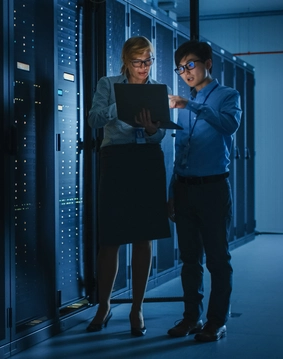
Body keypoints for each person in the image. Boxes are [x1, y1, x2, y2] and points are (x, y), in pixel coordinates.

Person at [87, 36, 171, 337]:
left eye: (148, 61)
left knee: (144, 237)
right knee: (110, 238)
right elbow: (94, 119)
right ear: (126, 61)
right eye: (138, 62)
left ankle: (137, 307)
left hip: (147, 160)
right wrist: (119, 105)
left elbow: (160, 136)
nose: (144, 68)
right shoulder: (108, 84)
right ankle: (104, 304)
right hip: (116, 160)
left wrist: (151, 130)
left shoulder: (160, 90)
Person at [166, 39, 242, 342]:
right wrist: (172, 190)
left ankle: (216, 321)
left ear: (208, 63)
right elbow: (180, 150)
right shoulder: (182, 106)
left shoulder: (228, 95)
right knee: (189, 259)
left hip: (213, 189)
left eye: (191, 64)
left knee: (218, 260)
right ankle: (190, 318)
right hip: (184, 189)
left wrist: (191, 105)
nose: (186, 72)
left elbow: (229, 126)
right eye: (181, 68)